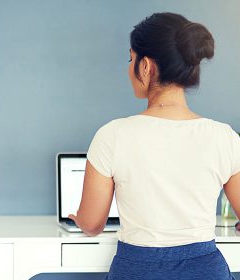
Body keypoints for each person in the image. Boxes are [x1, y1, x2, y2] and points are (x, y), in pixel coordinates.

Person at [69, 12, 240, 280]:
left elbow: (91, 224)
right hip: (206, 271)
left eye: (131, 58)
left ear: (146, 66)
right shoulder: (224, 137)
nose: (129, 67)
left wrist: (79, 218)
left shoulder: (112, 135)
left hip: (137, 271)